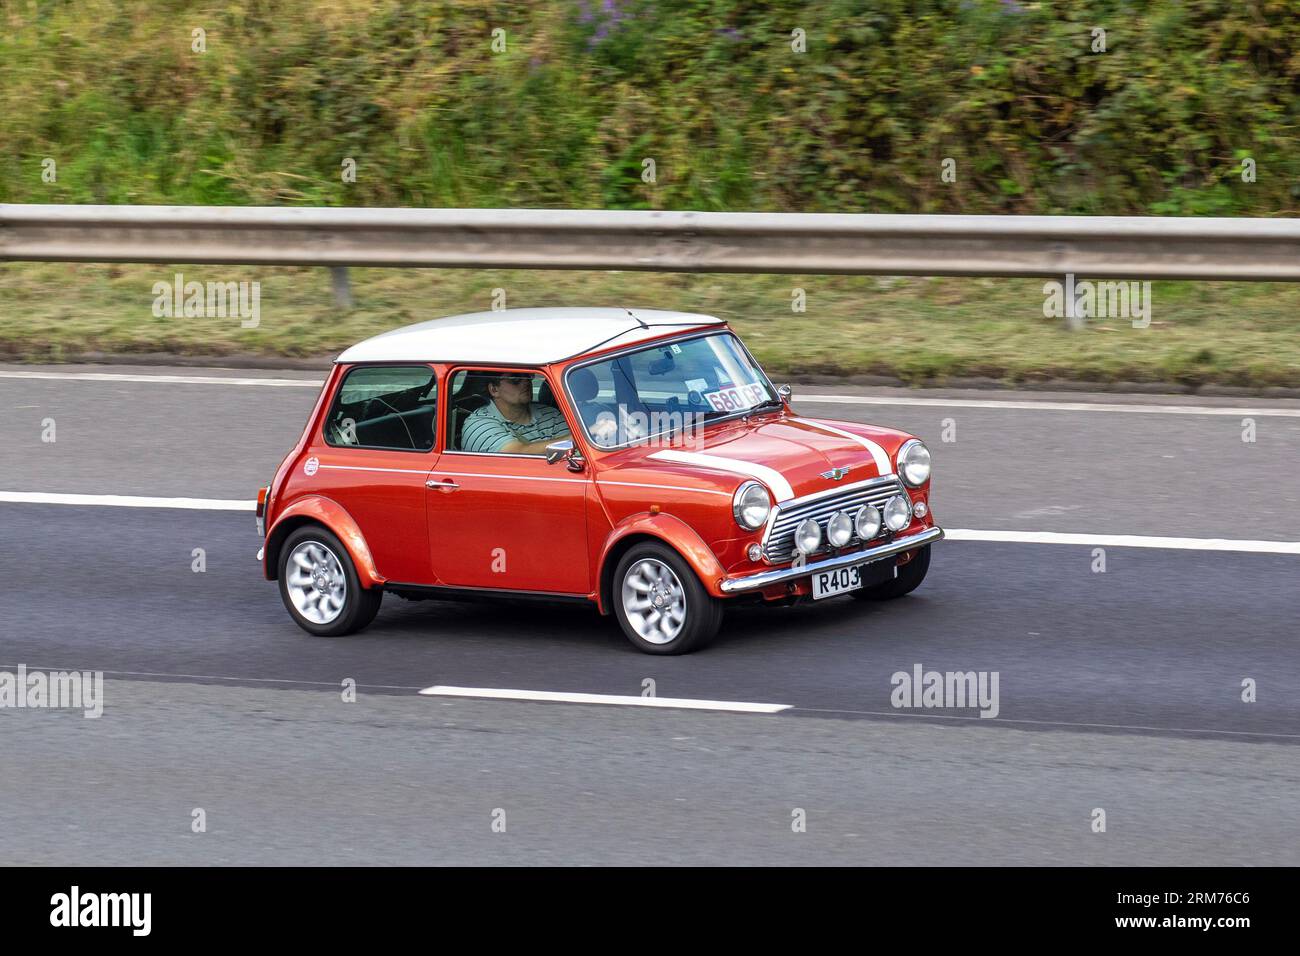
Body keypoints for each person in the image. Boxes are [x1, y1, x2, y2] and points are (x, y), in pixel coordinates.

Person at [460, 372, 571, 455]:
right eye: (515, 379)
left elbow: (573, 455)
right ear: (494, 389)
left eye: (528, 376)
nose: (526, 382)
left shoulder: (551, 414)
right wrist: (576, 440)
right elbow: (516, 456)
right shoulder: (479, 425)